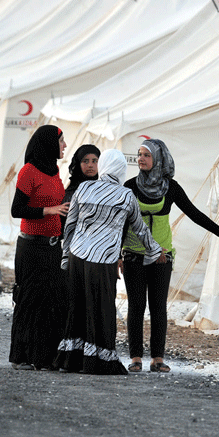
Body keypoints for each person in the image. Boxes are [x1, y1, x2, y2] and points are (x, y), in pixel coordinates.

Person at [122, 139, 219, 373]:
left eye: (146, 155)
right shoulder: (129, 186)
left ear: (158, 158)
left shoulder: (171, 187)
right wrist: (117, 254)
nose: (140, 159)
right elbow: (121, 223)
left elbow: (194, 214)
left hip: (162, 256)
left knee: (158, 307)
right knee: (136, 307)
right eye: (139, 155)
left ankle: (158, 358)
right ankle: (135, 357)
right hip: (133, 255)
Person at [54, 149, 166, 375]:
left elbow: (70, 225)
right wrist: (155, 251)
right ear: (122, 170)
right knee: (102, 309)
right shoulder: (125, 196)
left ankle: (71, 360)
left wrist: (66, 255)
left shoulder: (84, 188)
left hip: (78, 257)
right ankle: (97, 362)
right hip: (103, 259)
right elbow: (140, 230)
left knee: (78, 307)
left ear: (103, 166)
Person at [8, 125, 70, 371]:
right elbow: (17, 210)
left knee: (53, 301)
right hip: (32, 247)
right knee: (30, 300)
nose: (64, 146)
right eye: (61, 141)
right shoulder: (29, 171)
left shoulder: (54, 171)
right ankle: (22, 356)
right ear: (48, 144)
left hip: (53, 247)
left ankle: (45, 356)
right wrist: (49, 211)